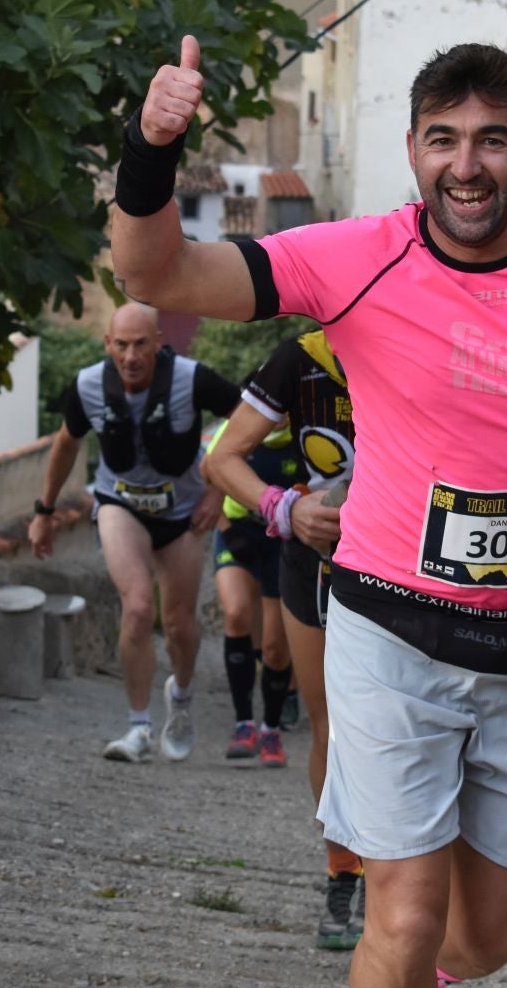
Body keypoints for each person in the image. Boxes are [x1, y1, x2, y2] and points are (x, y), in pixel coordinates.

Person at [112, 37, 507, 988]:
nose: (465, 165)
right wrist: (152, 145)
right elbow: (158, 274)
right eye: (443, 139)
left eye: (491, 140)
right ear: (413, 148)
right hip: (387, 628)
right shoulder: (355, 257)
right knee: (405, 907)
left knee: (484, 936)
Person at [204, 326, 366, 951]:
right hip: (317, 554)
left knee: (395, 726)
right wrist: (283, 509)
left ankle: (398, 875)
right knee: (329, 727)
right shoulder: (303, 358)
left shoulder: (425, 338)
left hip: (404, 563)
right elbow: (219, 458)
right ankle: (342, 874)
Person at [28, 303, 240, 762]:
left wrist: (218, 490)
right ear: (108, 344)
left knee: (181, 624)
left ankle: (180, 700)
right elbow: (66, 444)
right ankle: (138, 727)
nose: (130, 355)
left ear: (158, 342)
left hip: (182, 510)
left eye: (141, 344)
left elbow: (249, 419)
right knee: (139, 607)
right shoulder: (88, 385)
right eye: (121, 344)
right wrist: (44, 512)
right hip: (119, 503)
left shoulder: (192, 378)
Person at [203, 417, 299, 766]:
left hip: (283, 542)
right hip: (237, 533)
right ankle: (244, 724)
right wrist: (226, 527)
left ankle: (271, 729)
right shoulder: (238, 427)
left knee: (275, 647)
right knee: (236, 613)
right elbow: (209, 470)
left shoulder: (303, 433)